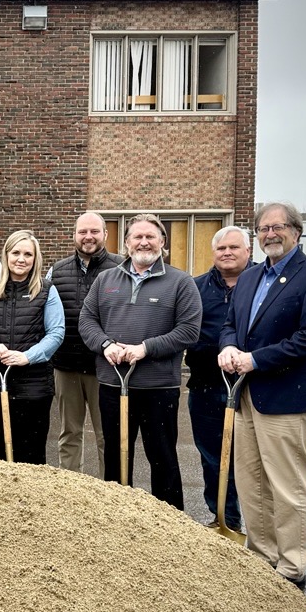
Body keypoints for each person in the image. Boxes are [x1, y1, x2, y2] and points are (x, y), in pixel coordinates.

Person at [218, 203, 306, 591]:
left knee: (288, 486)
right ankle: (262, 556)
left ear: (296, 232)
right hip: (247, 395)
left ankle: (292, 567)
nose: (270, 233)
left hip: (288, 395)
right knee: (251, 483)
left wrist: (255, 359)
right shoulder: (250, 277)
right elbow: (231, 323)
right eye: (263, 228)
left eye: (278, 227)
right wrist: (228, 348)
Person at [79, 213, 202, 510]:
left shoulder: (180, 282)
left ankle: (169, 520)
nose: (144, 242)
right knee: (116, 456)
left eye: (150, 236)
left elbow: (189, 330)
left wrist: (146, 348)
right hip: (112, 384)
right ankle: (117, 517)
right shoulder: (105, 280)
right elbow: (87, 320)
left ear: (162, 242)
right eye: (137, 236)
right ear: (126, 243)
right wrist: (105, 344)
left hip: (158, 387)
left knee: (162, 456)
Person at [0, 230, 64, 465]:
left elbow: (56, 332)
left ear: (35, 259)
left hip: (34, 385)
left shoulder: (46, 290)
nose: (21, 259)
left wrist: (27, 357)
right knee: (0, 448)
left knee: (31, 451)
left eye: (28, 254)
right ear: (6, 255)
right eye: (16, 253)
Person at [186, 225, 252, 532]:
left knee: (251, 459)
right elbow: (186, 331)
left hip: (253, 385)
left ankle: (258, 523)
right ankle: (223, 518)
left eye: (234, 247)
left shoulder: (259, 284)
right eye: (221, 248)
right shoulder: (195, 287)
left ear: (248, 252)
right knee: (213, 457)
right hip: (206, 385)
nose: (227, 253)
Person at [47, 211, 123, 475]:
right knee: (69, 433)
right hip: (66, 366)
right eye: (82, 232)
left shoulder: (121, 268)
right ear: (74, 236)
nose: (88, 237)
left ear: (105, 234)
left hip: (107, 369)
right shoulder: (57, 271)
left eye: (94, 231)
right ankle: (70, 490)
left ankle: (110, 491)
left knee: (107, 435)